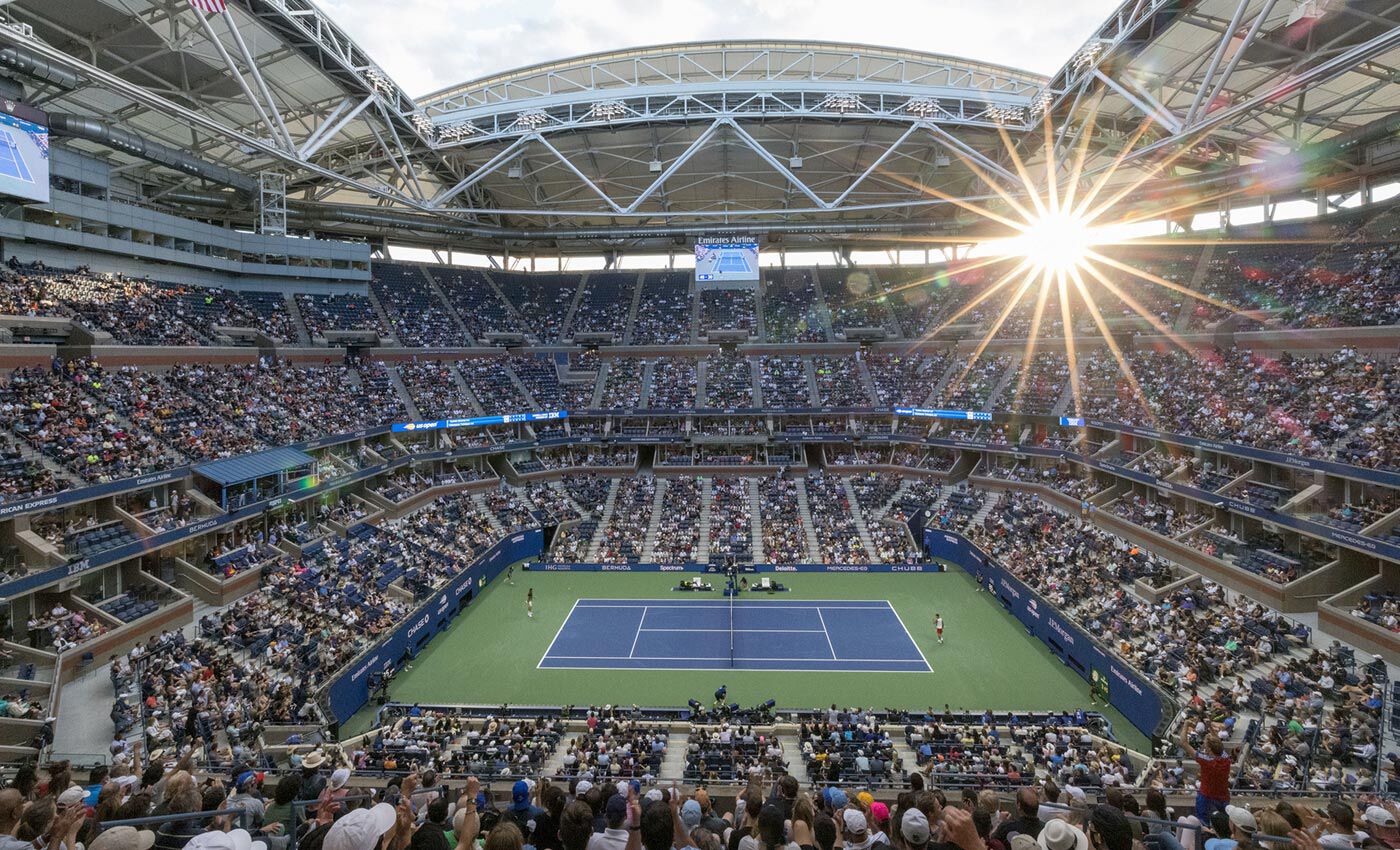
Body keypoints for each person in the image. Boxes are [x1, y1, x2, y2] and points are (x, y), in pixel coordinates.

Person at [1180, 723, 1233, 822]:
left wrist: (1186, 724)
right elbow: (1219, 744)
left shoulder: (1206, 760)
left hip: (1206, 799)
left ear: (1209, 749)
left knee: (1204, 823)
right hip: (1224, 799)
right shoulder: (1226, 758)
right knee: (1223, 824)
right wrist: (1210, 728)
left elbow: (1183, 743)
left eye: (1205, 745)